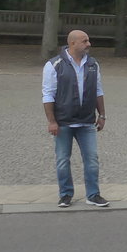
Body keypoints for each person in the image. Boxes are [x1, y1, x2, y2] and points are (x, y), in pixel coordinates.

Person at [43, 29, 108, 208]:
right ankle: (65, 194)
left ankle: (93, 194)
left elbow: (98, 91)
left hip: (86, 121)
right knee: (63, 159)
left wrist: (101, 115)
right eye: (85, 41)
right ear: (72, 44)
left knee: (92, 159)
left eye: (88, 40)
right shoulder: (54, 65)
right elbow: (48, 95)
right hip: (63, 122)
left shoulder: (93, 64)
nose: (89, 44)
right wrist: (52, 121)